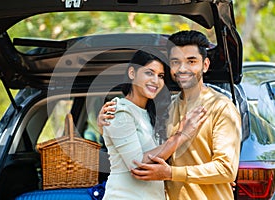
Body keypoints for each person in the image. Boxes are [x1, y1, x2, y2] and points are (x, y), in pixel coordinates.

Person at [98, 31, 241, 200]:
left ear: (205, 64)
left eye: (191, 61)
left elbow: (226, 170)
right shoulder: (167, 108)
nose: (182, 68)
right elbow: (147, 149)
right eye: (175, 62)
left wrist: (171, 173)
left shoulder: (221, 107)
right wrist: (104, 127)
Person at [101, 46, 207, 200]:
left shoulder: (152, 113)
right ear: (132, 73)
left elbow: (165, 156)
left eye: (161, 75)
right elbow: (137, 165)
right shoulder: (119, 111)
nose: (156, 81)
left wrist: (213, 179)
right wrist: (181, 135)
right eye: (149, 73)